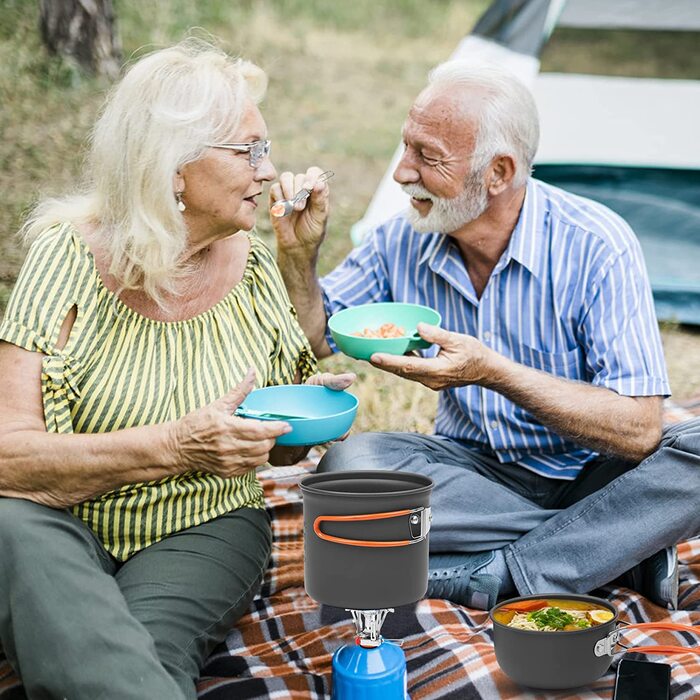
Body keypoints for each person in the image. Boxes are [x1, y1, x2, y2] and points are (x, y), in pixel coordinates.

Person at [270, 60, 700, 612]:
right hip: (472, 476)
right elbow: (316, 338)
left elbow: (640, 431)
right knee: (347, 475)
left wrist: (494, 372)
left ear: (498, 173)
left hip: (595, 472)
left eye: (428, 157)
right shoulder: (399, 241)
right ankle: (621, 549)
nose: (402, 172)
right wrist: (299, 256)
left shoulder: (597, 244)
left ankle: (509, 574)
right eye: (407, 147)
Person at [0, 40, 353, 699]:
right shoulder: (66, 259)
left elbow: (278, 443)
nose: (270, 170)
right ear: (174, 168)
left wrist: (304, 407)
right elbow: (8, 461)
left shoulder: (247, 259)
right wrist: (172, 446)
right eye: (247, 151)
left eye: (265, 147)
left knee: (127, 657)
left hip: (203, 521)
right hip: (60, 517)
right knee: (8, 527)